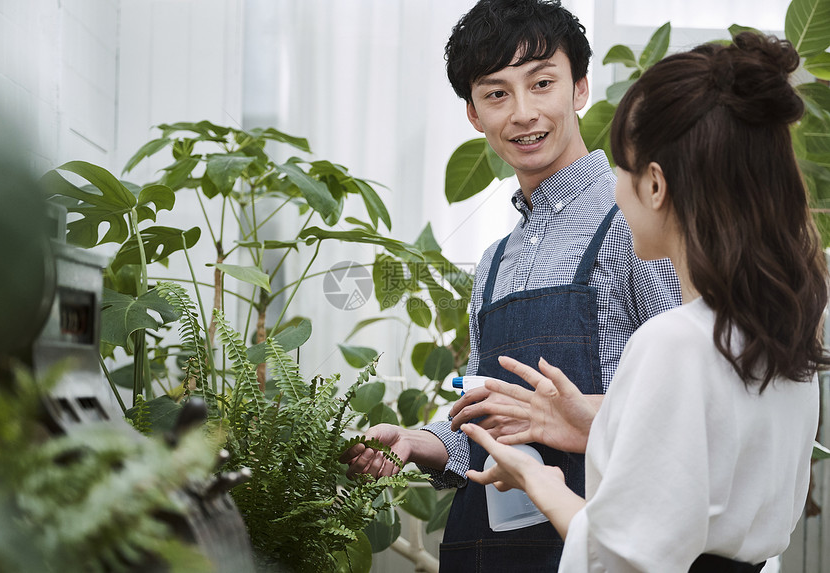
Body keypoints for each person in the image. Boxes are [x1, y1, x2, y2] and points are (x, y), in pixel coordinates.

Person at [462, 32, 827, 572]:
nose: (614, 188)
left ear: (654, 186)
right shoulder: (780, 339)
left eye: (624, 171)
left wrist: (537, 479)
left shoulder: (673, 340)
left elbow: (617, 557)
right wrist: (597, 421)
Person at [340, 0, 680, 569]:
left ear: (579, 88)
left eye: (541, 83)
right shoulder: (496, 260)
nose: (523, 113)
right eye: (496, 93)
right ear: (474, 114)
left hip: (600, 542)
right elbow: (484, 413)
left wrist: (572, 418)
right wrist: (416, 443)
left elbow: (682, 408)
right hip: (489, 550)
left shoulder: (635, 221)